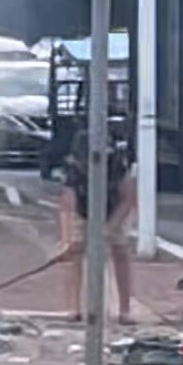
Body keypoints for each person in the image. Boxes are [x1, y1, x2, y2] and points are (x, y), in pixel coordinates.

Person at [58, 131, 136, 324]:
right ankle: (74, 308)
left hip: (113, 209)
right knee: (73, 255)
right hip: (82, 211)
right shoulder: (73, 169)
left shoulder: (118, 165)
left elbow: (128, 199)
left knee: (121, 252)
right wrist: (69, 240)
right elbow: (68, 205)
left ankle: (125, 310)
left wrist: (111, 228)